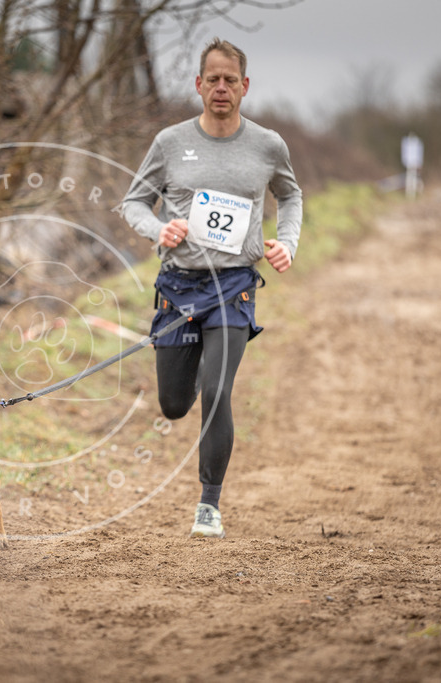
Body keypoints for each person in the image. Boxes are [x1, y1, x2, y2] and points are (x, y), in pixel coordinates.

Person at [120, 38, 302, 538]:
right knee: (175, 404)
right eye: (212, 79)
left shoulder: (267, 145)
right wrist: (160, 230)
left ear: (245, 87)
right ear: (199, 85)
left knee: (218, 392)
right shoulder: (170, 143)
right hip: (179, 285)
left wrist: (287, 242)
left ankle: (209, 503)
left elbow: (290, 194)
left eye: (231, 80)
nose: (221, 88)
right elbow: (134, 202)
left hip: (235, 286)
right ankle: (195, 361)